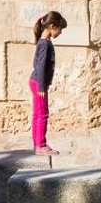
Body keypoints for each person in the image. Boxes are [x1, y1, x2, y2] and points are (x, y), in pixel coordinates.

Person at [28, 11, 66, 158]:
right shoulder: (45, 44)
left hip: (35, 81)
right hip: (39, 83)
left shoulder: (41, 42)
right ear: (52, 26)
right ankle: (41, 145)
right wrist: (42, 86)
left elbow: (36, 64)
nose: (60, 32)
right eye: (60, 29)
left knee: (37, 113)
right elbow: (41, 66)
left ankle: (37, 144)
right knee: (43, 114)